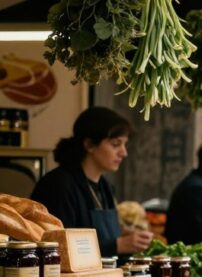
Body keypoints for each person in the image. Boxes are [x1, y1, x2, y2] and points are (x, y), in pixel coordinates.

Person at [31, 106, 152, 257]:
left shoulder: (105, 186)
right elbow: (58, 248)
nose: (124, 153)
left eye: (124, 144)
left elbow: (100, 232)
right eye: (116, 144)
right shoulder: (58, 185)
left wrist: (124, 234)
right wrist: (118, 245)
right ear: (89, 145)